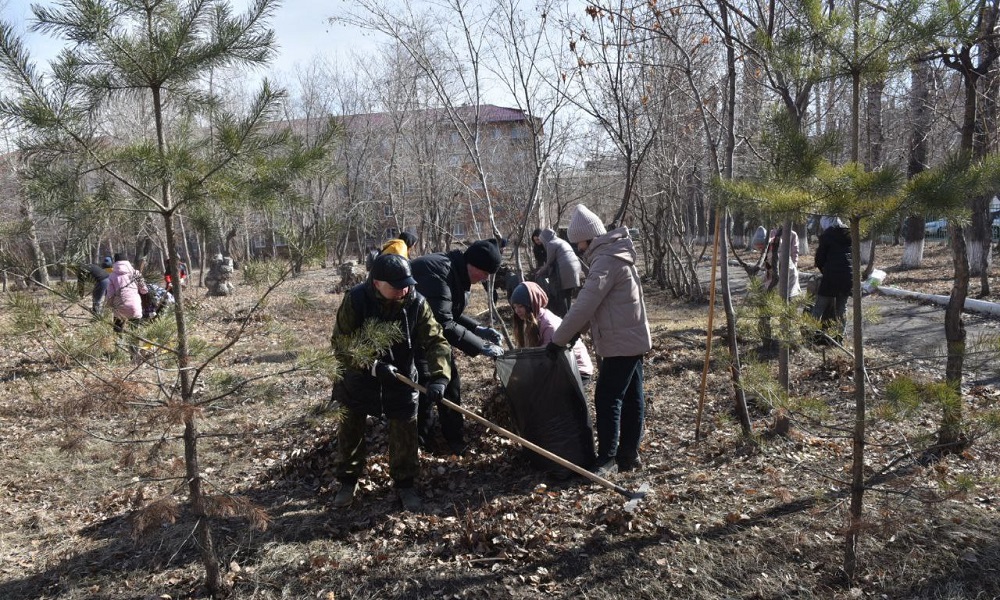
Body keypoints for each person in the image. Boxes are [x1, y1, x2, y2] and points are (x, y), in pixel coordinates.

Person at [329, 253, 451, 511]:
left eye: (406, 284)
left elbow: (436, 341)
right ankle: (348, 482)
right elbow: (341, 344)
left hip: (402, 378)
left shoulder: (416, 302)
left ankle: (405, 483)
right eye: (396, 286)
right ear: (377, 283)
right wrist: (373, 366)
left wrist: (440, 377)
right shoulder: (356, 300)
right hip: (358, 378)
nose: (403, 290)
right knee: (351, 429)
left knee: (405, 430)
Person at [547, 205, 652, 475]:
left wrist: (558, 340)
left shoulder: (605, 261)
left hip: (621, 342)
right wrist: (574, 334)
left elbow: (585, 305)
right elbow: (597, 307)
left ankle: (607, 460)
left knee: (607, 398)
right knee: (631, 396)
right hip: (630, 337)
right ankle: (629, 454)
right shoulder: (615, 254)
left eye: (579, 243)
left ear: (588, 238)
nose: (578, 249)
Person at [410, 239, 505, 455]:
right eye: (485, 272)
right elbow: (443, 322)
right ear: (473, 264)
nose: (486, 278)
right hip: (413, 336)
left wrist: (477, 328)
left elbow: (449, 311)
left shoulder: (457, 272)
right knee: (426, 387)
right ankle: (420, 445)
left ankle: (454, 439)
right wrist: (481, 346)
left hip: (432, 335)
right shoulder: (437, 273)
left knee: (451, 383)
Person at [509, 281, 593, 384]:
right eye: (515, 307)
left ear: (532, 304)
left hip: (576, 371)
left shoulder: (549, 325)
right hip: (558, 368)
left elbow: (547, 359)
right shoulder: (531, 320)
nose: (517, 311)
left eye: (521, 306)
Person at [811, 216, 852, 343]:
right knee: (842, 308)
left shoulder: (827, 235)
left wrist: (824, 270)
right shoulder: (850, 233)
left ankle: (810, 335)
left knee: (819, 307)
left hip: (831, 276)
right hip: (848, 275)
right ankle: (840, 337)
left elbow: (819, 258)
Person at [534, 228, 584, 317]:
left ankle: (565, 319)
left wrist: (539, 272)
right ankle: (570, 317)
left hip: (565, 270)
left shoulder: (551, 244)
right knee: (568, 296)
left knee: (561, 296)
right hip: (574, 270)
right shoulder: (561, 241)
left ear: (545, 238)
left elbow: (549, 262)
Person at [106, 252, 148, 333]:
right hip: (134, 306)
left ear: (115, 262)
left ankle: (118, 339)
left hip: (119, 308)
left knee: (117, 332)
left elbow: (110, 295)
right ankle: (134, 340)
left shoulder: (112, 276)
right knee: (135, 332)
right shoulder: (136, 273)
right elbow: (144, 291)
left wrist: (108, 306)